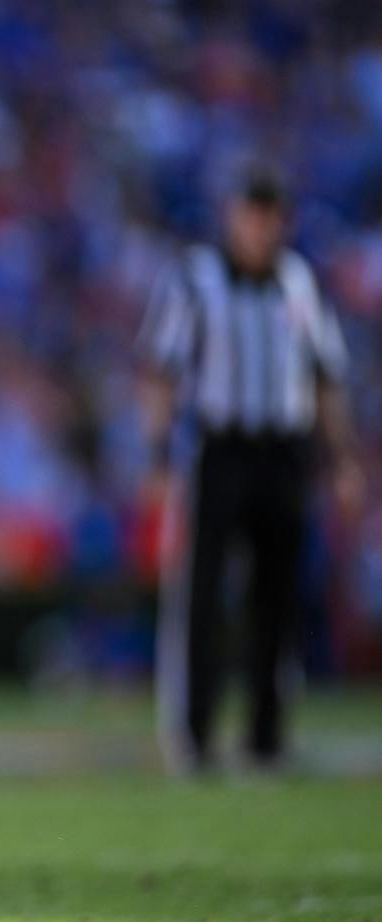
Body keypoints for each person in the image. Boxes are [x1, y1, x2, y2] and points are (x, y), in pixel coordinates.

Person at [139, 163, 363, 775]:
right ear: (234, 216)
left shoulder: (299, 282)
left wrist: (340, 458)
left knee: (279, 595)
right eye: (252, 215)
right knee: (204, 593)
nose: (261, 229)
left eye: (271, 217)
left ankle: (267, 737)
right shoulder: (196, 278)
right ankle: (196, 734)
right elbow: (161, 370)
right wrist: (159, 452)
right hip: (222, 448)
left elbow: (325, 376)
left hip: (283, 453)